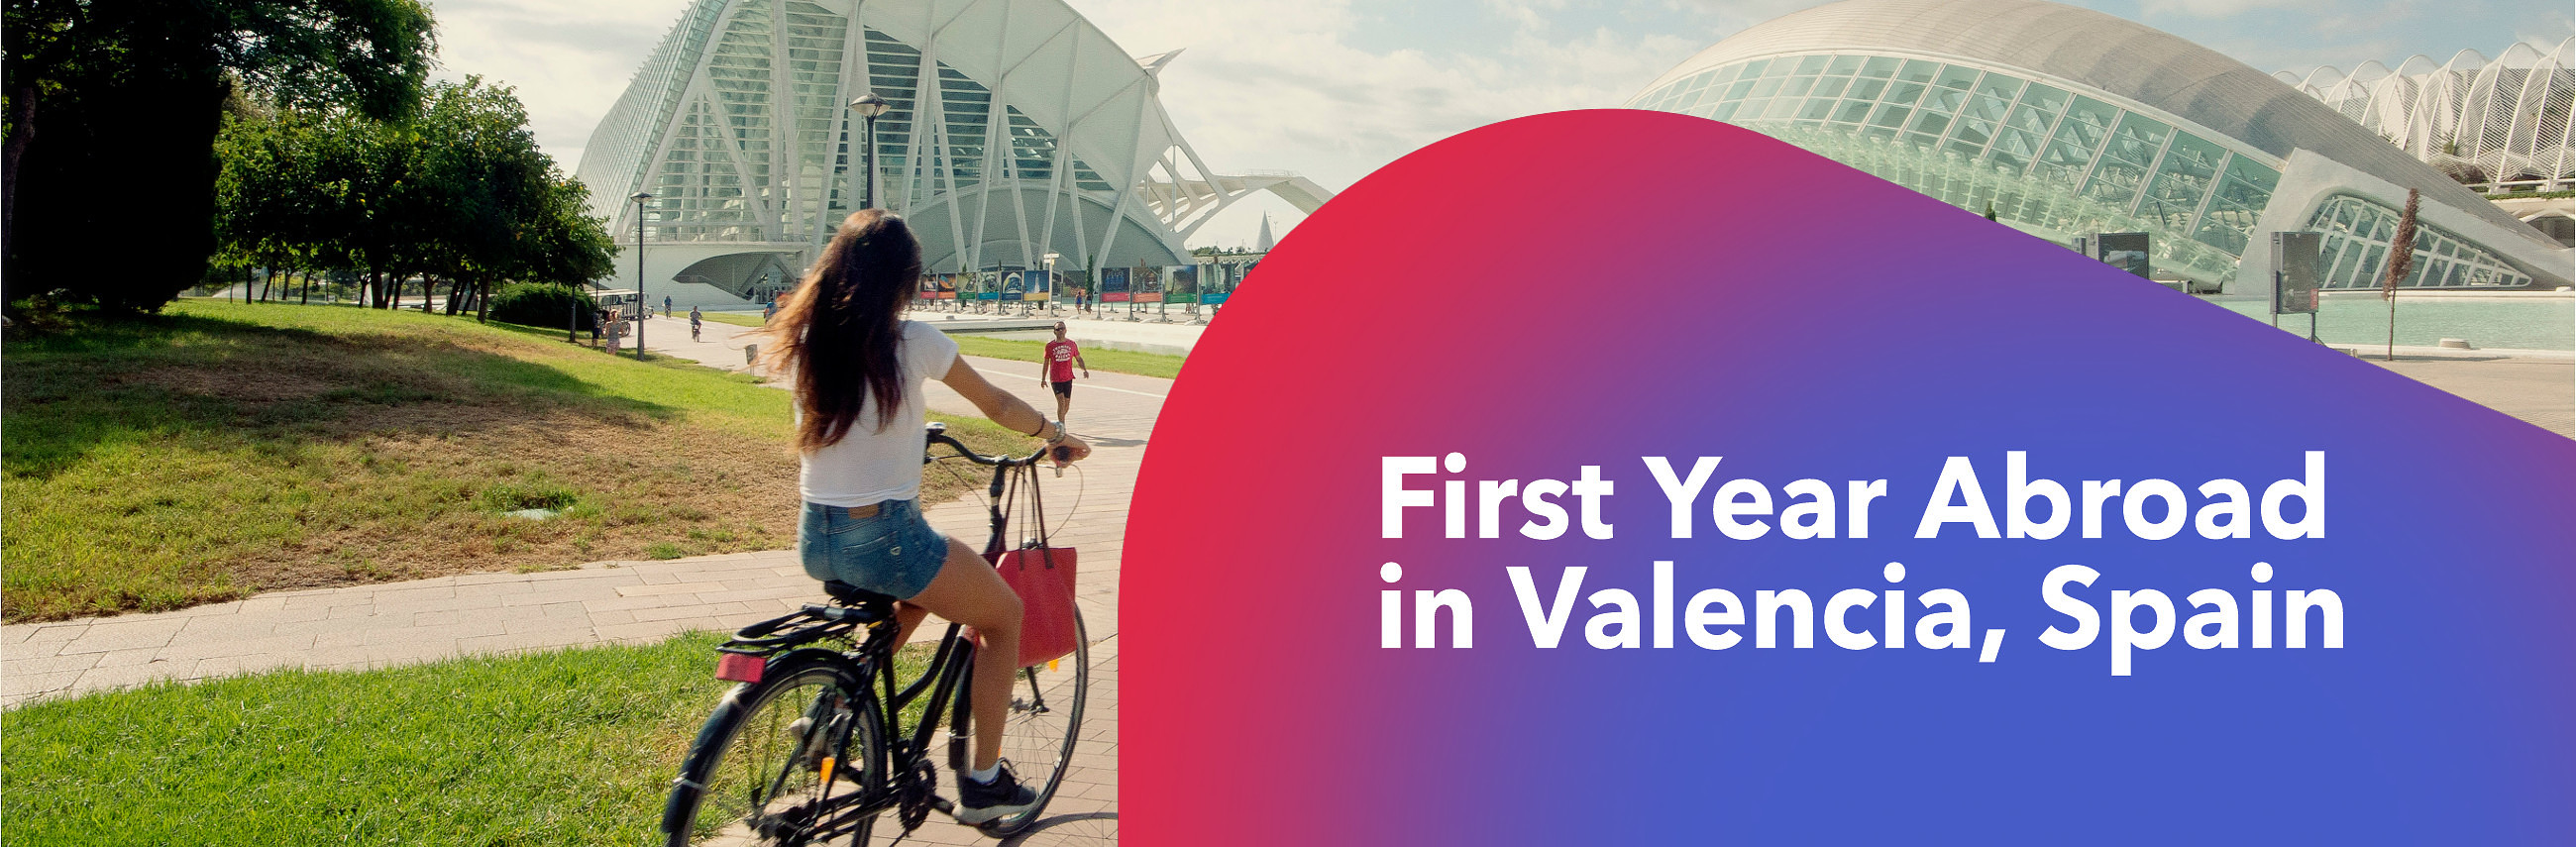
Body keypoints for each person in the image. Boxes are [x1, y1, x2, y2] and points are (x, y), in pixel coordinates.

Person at [759, 210, 1089, 824]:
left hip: (817, 535)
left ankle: (835, 710)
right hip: (882, 535)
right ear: (902, 283)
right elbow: (995, 403)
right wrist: (1054, 434)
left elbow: (856, 422)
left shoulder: (809, 339)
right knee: (1003, 614)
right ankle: (985, 783)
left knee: (919, 583)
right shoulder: (913, 342)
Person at [1037, 322, 1088, 427]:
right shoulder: (1050, 346)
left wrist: (1084, 370)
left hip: (1068, 378)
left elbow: (1078, 358)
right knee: (1061, 402)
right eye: (1058, 329)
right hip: (1056, 379)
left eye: (1062, 328)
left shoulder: (1072, 344)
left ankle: (1059, 421)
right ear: (1054, 332)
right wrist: (1043, 379)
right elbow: (1046, 363)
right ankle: (1062, 428)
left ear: (1066, 330)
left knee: (1066, 405)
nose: (1060, 331)